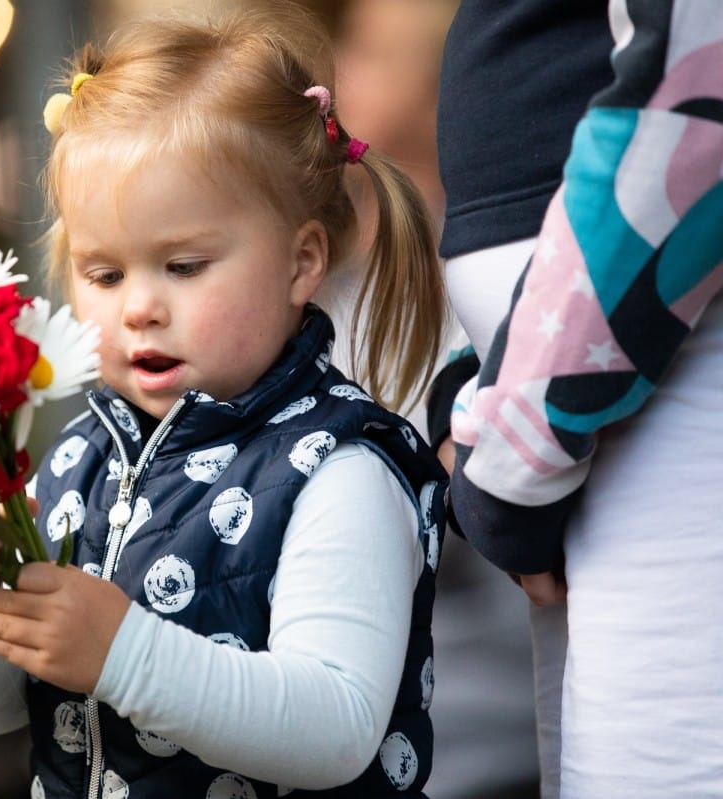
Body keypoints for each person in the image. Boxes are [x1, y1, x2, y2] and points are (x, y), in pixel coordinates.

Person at [0, 2, 451, 796]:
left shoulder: (340, 468)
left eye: (183, 266)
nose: (139, 307)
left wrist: (120, 651)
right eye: (105, 274)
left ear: (302, 260)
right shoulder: (77, 459)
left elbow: (336, 725)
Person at [432, 1, 723, 796]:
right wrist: (485, 381)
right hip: (588, 410)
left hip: (663, 393)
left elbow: (697, 99)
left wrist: (511, 454)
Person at [300, 2, 543, 796]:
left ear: (449, 88)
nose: (336, 68)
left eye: (368, 52)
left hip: (472, 738)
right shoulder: (316, 279)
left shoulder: (477, 284)